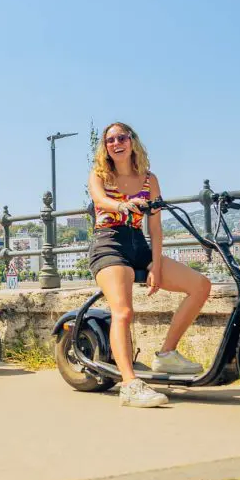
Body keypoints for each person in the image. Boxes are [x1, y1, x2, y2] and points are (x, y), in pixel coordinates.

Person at [88, 123, 211, 408]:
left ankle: (166, 354)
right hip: (109, 243)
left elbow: (155, 228)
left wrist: (156, 264)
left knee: (201, 286)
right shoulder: (99, 175)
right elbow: (100, 200)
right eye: (110, 140)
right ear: (105, 147)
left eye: (122, 137)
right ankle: (130, 385)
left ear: (132, 142)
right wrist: (121, 206)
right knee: (123, 310)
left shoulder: (149, 179)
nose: (116, 143)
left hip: (139, 245)